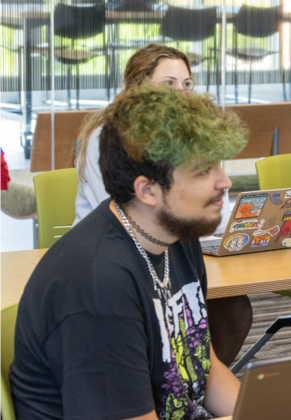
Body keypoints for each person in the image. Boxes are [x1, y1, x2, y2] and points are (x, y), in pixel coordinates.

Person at [11, 85, 246, 419]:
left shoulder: (177, 234)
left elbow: (203, 367)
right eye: (203, 170)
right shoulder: (98, 284)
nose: (225, 181)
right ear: (147, 190)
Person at [71, 44, 252, 364]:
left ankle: (188, 394)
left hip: (173, 248)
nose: (181, 94)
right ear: (139, 88)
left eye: (186, 84)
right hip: (125, 257)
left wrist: (232, 231)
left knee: (232, 309)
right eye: (169, 84)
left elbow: (208, 208)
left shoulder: (188, 138)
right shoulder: (108, 138)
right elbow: (127, 219)